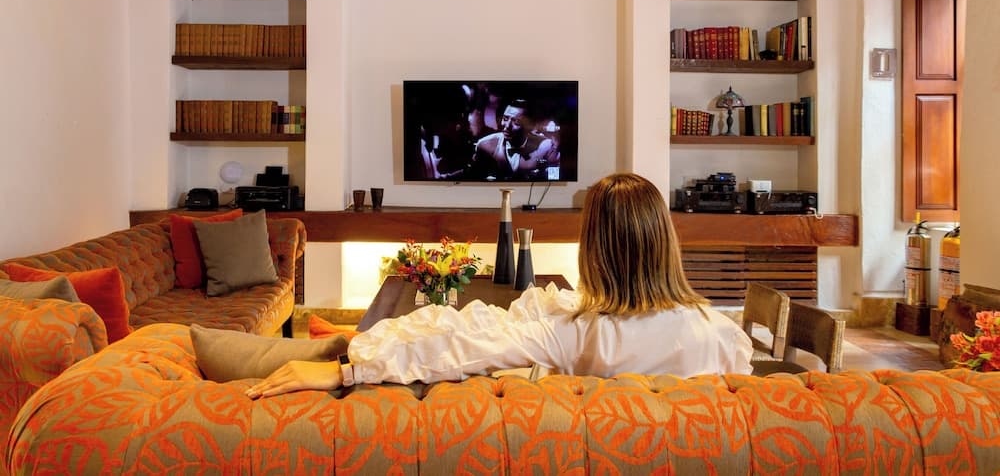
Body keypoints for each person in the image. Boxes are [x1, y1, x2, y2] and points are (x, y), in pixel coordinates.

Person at [245, 173, 752, 399]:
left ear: (594, 248)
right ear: (664, 240)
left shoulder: (578, 335)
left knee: (284, 356)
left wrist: (348, 371)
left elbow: (462, 350)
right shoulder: (723, 335)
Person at [469, 99, 559, 181]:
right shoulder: (484, 145)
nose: (507, 126)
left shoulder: (547, 147)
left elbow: (555, 180)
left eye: (516, 122)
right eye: (505, 119)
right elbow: (472, 179)